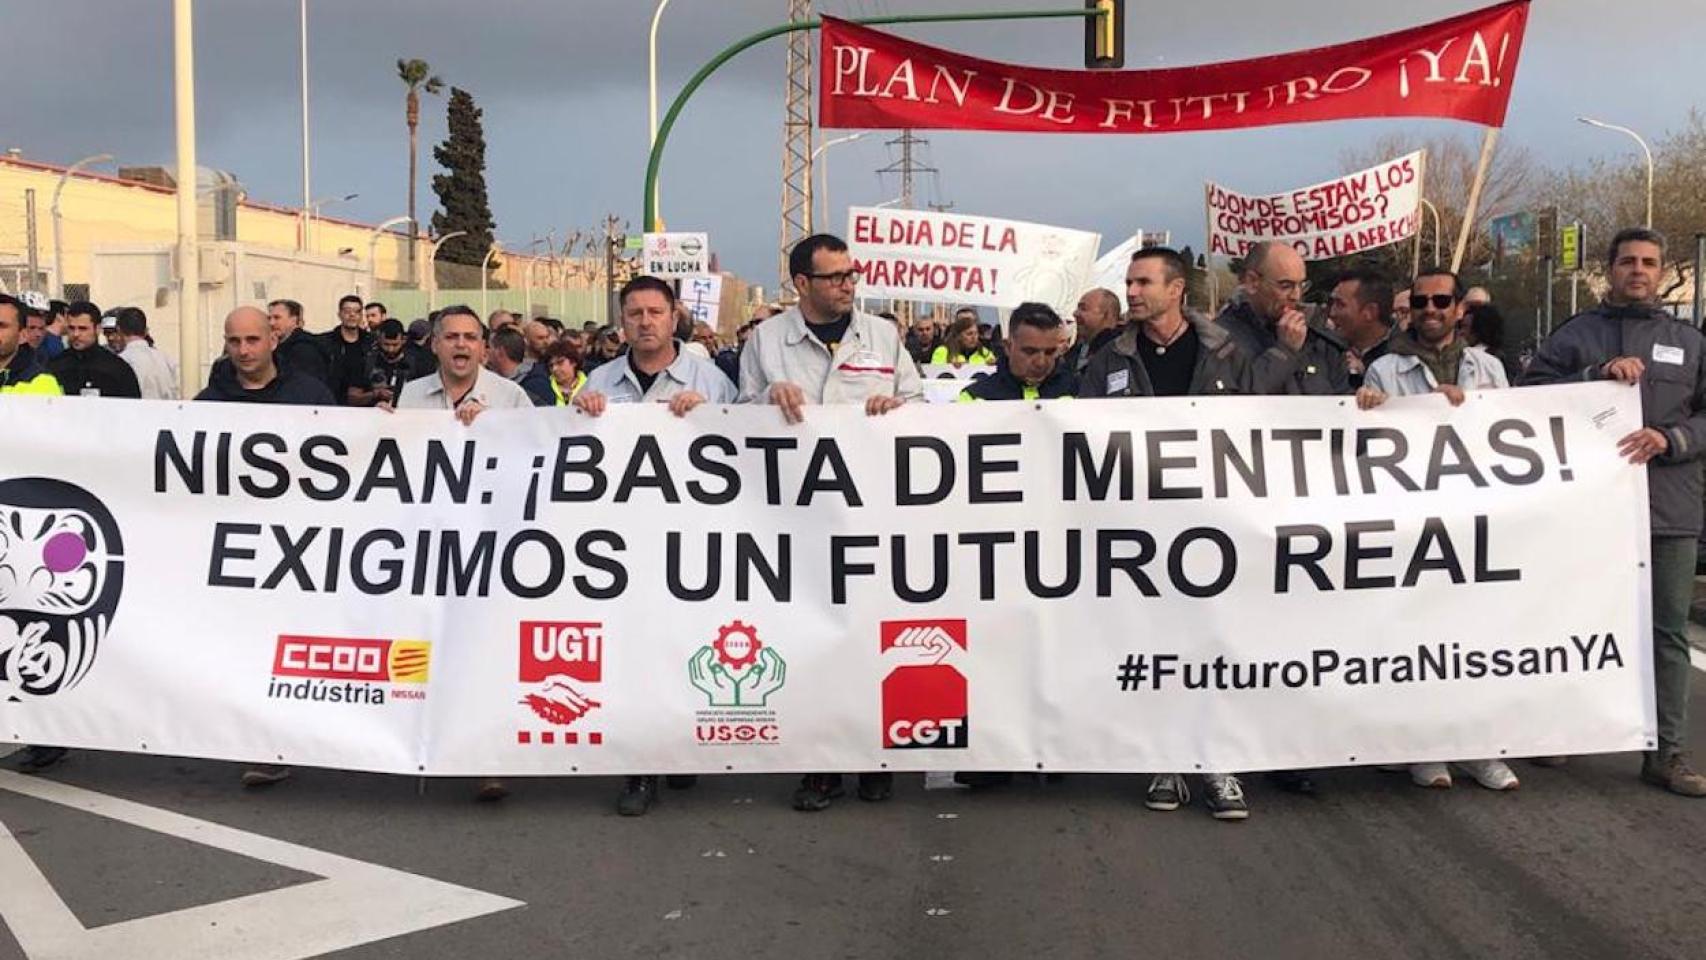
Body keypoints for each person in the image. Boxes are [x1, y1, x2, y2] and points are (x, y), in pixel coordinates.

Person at [739, 233, 921, 811]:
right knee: (810, 636)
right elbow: (734, 420)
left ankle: (873, 757)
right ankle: (819, 765)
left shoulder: (884, 336)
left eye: (851, 274)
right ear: (802, 284)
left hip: (872, 509)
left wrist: (898, 409)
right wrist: (769, 396)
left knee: (870, 635)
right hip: (797, 515)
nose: (848, 284)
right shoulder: (766, 341)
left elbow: (920, 402)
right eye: (835, 276)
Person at [1523, 227, 1706, 798]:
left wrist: (1671, 438)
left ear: (1660, 271)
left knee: (1667, 632)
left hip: (1666, 510)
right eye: (1628, 261)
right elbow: (1528, 397)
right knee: (1576, 621)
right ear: (1609, 269)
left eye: (1649, 262)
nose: (1639, 270)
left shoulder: (1691, 341)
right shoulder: (1576, 335)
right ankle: (1563, 729)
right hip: (1587, 511)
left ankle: (1666, 753)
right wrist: (1592, 379)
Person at [1081, 246, 1254, 819]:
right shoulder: (1110, 359)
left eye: (1141, 282)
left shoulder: (1228, 353)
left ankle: (1217, 762)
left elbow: (1268, 423)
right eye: (1128, 282)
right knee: (1155, 644)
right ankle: (1165, 758)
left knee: (1214, 643)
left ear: (1176, 289)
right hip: (1142, 530)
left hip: (1215, 525)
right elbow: (1081, 433)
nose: (1131, 292)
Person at [573, 277, 737, 817]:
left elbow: (744, 453)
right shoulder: (599, 380)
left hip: (689, 540)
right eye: (635, 313)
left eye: (655, 312)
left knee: (682, 646)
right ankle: (640, 768)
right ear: (622, 321)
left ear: (674, 318)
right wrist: (582, 412)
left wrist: (711, 418)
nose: (645, 322)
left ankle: (680, 747)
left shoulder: (710, 381)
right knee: (632, 655)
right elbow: (568, 452)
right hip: (620, 546)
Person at [1353, 269, 1520, 791]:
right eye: (1421, 301)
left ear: (1458, 309)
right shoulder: (1385, 370)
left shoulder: (1488, 367)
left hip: (1474, 519)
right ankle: (1423, 749)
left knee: (1475, 637)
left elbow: (1513, 436)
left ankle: (1479, 748)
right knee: (1418, 637)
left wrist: (1471, 414)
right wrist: (1370, 410)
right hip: (1413, 525)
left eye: (1440, 300)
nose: (1430, 309)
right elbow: (1366, 448)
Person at [1217, 241, 1348, 395]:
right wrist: (1284, 353)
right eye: (1286, 286)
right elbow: (1233, 406)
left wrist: (1368, 400)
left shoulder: (1318, 338)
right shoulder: (1220, 339)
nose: (1296, 296)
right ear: (1252, 282)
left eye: (1302, 286)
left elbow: (1343, 402)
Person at [396, 305, 534, 424]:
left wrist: (492, 422)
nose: (461, 344)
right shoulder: (411, 394)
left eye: (470, 337)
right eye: (451, 337)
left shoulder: (511, 396)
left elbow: (534, 444)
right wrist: (381, 420)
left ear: (482, 347)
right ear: (434, 345)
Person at [196, 306, 336, 406]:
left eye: (252, 340)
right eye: (234, 341)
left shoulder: (312, 395)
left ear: (273, 341)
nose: (243, 350)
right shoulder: (207, 403)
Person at [957, 302, 1076, 401]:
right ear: (1008, 347)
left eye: (1049, 352)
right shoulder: (974, 398)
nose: (1040, 362)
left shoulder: (1079, 394)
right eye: (1030, 352)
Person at [48, 301, 141, 398]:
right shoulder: (55, 366)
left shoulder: (117, 369)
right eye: (71, 328)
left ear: (97, 329)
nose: (76, 334)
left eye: (83, 329)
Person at [1327, 269, 1396, 390]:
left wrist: (1366, 375)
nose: (1332, 313)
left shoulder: (1404, 357)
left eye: (1340, 305)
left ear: (1370, 312)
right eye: (1331, 303)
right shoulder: (1326, 350)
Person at [356, 318, 436, 407]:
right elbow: (353, 398)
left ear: (403, 340)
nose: (391, 349)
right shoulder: (367, 360)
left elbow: (430, 394)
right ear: (379, 340)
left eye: (395, 345)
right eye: (386, 344)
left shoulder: (419, 361)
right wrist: (376, 394)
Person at [0, 294, 63, 396]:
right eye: (32, 328)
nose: (37, 334)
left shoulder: (41, 382)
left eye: (2, 326)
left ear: (22, 335)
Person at [112, 307, 180, 400]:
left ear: (119, 330)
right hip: (166, 412)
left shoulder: (121, 361)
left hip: (136, 412)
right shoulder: (166, 359)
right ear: (145, 331)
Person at [267, 299, 333, 388]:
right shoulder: (279, 346)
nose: (271, 323)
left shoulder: (304, 350)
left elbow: (304, 388)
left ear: (294, 320)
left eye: (277, 318)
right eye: (269, 318)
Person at [321, 294, 373, 404]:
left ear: (361, 315)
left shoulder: (371, 343)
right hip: (334, 402)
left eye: (357, 311)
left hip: (367, 404)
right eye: (347, 311)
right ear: (339, 314)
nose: (352, 315)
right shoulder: (326, 342)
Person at [487, 325, 555, 406]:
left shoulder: (536, 385)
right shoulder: (498, 382)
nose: (486, 352)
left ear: (499, 352)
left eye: (489, 348)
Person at [1065, 288, 1124, 374]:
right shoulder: (1075, 352)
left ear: (1107, 315)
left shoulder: (1119, 353)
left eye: (1083, 308)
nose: (1075, 313)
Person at [1464, 301, 1523, 385]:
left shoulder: (1470, 358)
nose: (1461, 332)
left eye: (1465, 327)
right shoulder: (1509, 359)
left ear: (1478, 330)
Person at [930, 314, 996, 367]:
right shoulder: (942, 351)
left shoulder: (984, 353)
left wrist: (993, 365)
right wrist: (950, 367)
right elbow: (935, 372)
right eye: (969, 334)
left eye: (976, 333)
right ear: (959, 336)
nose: (974, 337)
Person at [541, 340, 587, 405]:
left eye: (560, 362)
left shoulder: (589, 385)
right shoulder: (544, 388)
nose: (554, 369)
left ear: (573, 362)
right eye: (551, 365)